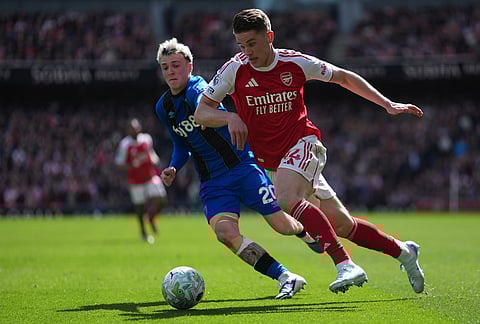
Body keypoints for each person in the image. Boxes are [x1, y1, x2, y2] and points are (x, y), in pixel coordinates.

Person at [195, 8, 425, 294]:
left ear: (269, 37)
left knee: (287, 198)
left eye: (252, 44)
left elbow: (344, 77)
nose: (247, 52)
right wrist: (230, 117)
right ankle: (404, 252)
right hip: (277, 162)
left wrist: (387, 104)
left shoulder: (296, 62)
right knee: (342, 225)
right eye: (241, 45)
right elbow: (201, 112)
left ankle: (345, 264)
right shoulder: (234, 69)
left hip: (304, 143)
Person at [154, 37, 367, 298]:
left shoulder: (197, 88)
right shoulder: (163, 107)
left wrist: (230, 116)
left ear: (190, 66)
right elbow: (180, 143)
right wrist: (174, 167)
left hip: (244, 168)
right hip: (213, 181)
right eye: (165, 67)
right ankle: (285, 276)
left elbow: (204, 109)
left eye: (176, 65)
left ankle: (309, 233)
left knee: (283, 226)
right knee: (225, 233)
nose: (171, 72)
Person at [115, 118, 167, 244]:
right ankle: (143, 231)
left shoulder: (146, 139)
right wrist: (132, 165)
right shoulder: (125, 144)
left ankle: (151, 217)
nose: (136, 130)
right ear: (128, 130)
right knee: (140, 207)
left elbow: (151, 153)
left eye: (137, 127)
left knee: (161, 198)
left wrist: (155, 159)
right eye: (133, 128)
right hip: (135, 180)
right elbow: (118, 164)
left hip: (150, 176)